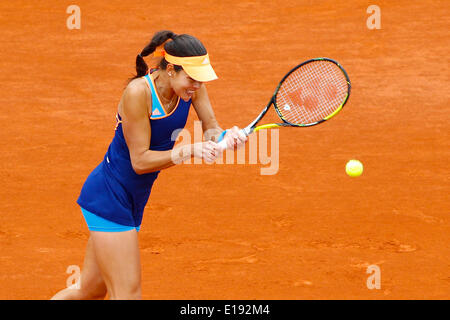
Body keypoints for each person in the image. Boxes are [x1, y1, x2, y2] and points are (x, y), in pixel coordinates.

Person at [51, 30, 246, 300]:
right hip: (110, 196)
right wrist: (190, 151)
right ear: (170, 70)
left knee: (88, 291)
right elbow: (140, 162)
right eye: (191, 78)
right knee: (128, 294)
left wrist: (227, 137)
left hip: (133, 199)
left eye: (200, 79)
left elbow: (211, 128)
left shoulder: (191, 89)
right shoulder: (137, 93)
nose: (197, 85)